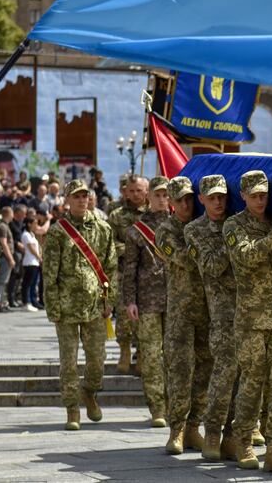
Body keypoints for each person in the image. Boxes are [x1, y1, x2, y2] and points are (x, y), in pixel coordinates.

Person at [224, 170, 272, 475]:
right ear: (242, 195)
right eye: (253, 194)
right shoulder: (234, 225)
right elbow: (246, 257)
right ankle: (243, 441)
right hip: (252, 318)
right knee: (252, 383)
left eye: (263, 194)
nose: (259, 199)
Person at [42, 179, 117, 430]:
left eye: (85, 196)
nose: (82, 200)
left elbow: (110, 268)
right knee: (69, 361)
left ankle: (90, 392)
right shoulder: (57, 231)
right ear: (67, 200)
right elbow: (49, 273)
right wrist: (52, 306)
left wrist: (110, 301)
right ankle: (72, 408)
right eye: (76, 196)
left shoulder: (103, 229)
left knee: (97, 359)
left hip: (95, 306)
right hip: (66, 307)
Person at [155, 177, 212, 455]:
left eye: (190, 199)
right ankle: (176, 429)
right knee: (179, 371)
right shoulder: (165, 231)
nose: (186, 204)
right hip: (180, 313)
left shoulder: (203, 227)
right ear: (171, 203)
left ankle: (193, 427)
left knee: (204, 371)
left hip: (205, 310)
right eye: (180, 200)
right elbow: (185, 259)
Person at [183, 175, 239, 461]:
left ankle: (234, 435)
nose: (218, 202)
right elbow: (212, 266)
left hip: (250, 311)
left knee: (245, 378)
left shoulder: (238, 223)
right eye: (212, 197)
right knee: (224, 373)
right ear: (202, 199)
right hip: (221, 313)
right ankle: (213, 433)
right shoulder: (194, 231)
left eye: (222, 197)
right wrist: (232, 238)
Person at [123, 177, 170, 427]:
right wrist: (130, 300)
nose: (162, 199)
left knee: (175, 356)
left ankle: (176, 404)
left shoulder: (181, 227)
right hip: (148, 300)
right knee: (152, 356)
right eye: (158, 194)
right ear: (148, 197)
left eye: (166, 194)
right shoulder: (136, 230)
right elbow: (129, 268)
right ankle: (157, 407)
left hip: (177, 301)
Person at [108, 175, 148, 374]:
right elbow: (109, 243)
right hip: (124, 273)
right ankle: (124, 350)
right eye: (131, 190)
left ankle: (141, 353)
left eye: (139, 190)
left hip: (148, 274)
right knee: (124, 315)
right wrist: (129, 249)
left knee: (145, 316)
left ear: (146, 191)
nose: (135, 194)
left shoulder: (152, 214)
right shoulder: (116, 215)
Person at [0, 206, 16, 312]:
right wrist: (11, 259)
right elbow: (4, 244)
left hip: (5, 258)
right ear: (8, 213)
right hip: (4, 258)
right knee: (0, 282)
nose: (13, 215)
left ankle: (0, 302)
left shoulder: (4, 225)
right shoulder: (2, 227)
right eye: (12, 213)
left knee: (2, 282)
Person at [20, 216, 42, 312]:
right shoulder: (26, 235)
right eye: (35, 223)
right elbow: (31, 248)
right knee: (27, 284)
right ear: (29, 224)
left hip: (34, 262)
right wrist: (39, 257)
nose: (36, 226)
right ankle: (26, 303)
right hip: (30, 262)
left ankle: (32, 301)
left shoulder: (32, 234)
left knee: (33, 283)